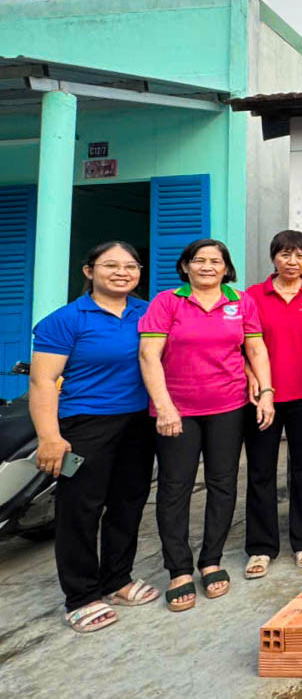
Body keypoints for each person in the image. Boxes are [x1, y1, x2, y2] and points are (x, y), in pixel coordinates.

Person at [138, 238, 274, 612]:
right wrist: (164, 406)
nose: (208, 267)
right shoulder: (168, 302)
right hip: (176, 410)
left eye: (216, 261)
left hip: (228, 406)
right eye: (200, 260)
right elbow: (149, 355)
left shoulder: (240, 301)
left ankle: (210, 560)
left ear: (226, 268)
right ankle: (178, 569)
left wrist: (266, 392)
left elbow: (255, 349)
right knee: (175, 487)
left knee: (223, 482)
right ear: (186, 266)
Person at [30, 242, 159, 633]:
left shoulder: (147, 311)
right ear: (89, 271)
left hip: (138, 422)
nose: (122, 272)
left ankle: (118, 579)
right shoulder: (66, 320)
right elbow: (42, 381)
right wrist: (49, 437)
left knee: (129, 502)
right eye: (111, 265)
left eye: (130, 266)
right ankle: (82, 595)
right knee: (79, 509)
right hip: (84, 426)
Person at [241, 230, 302, 578]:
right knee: (260, 470)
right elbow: (240, 346)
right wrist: (256, 383)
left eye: (300, 256)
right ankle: (261, 547)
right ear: (273, 257)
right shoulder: (250, 297)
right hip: (263, 397)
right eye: (285, 255)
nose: (293, 262)